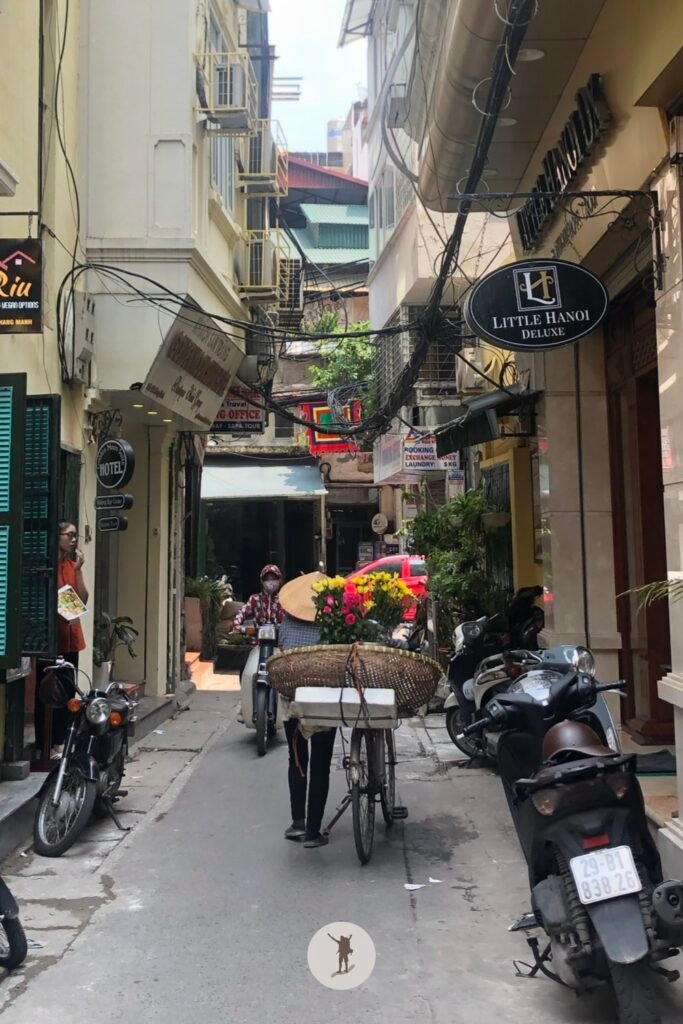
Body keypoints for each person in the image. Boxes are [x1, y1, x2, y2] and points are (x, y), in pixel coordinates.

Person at [277, 571, 336, 849]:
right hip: (323, 703)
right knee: (321, 764)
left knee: (297, 760)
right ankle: (313, 831)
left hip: (292, 703)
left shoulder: (286, 625)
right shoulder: (332, 625)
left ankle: (297, 822)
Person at [35, 522, 89, 758]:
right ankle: (44, 744)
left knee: (68, 692)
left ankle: (61, 742)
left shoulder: (70, 566)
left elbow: (82, 598)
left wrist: (78, 570)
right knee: (47, 692)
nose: (74, 540)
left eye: (76, 536)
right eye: (70, 535)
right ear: (56, 537)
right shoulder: (47, 566)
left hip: (70, 637)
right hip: (49, 639)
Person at [234, 565, 284, 727]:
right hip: (258, 645)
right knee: (244, 668)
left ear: (280, 580)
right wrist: (236, 625)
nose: (271, 582)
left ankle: (288, 703)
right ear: (262, 581)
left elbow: (292, 617)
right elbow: (243, 611)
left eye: (274, 578)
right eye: (267, 579)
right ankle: (245, 705)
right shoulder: (255, 599)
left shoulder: (284, 599)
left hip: (279, 646)